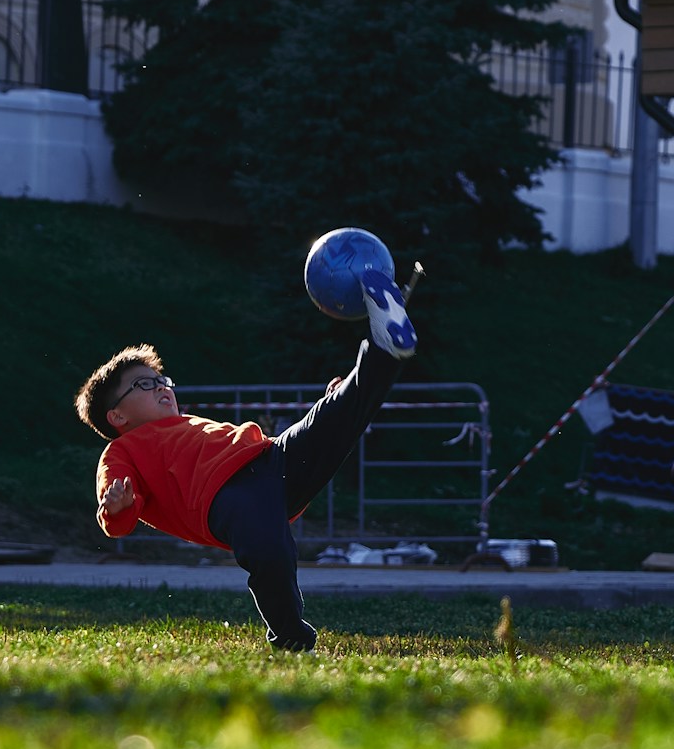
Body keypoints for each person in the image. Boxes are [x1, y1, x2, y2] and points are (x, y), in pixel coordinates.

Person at [73, 259, 418, 651]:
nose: (161, 387)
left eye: (162, 380)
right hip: (226, 498)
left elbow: (240, 448)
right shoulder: (121, 451)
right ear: (117, 415)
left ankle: (383, 349)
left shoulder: (184, 422)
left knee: (340, 414)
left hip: (273, 458)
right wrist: (117, 505)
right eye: (144, 385)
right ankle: (290, 634)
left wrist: (327, 405)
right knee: (272, 555)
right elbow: (115, 521)